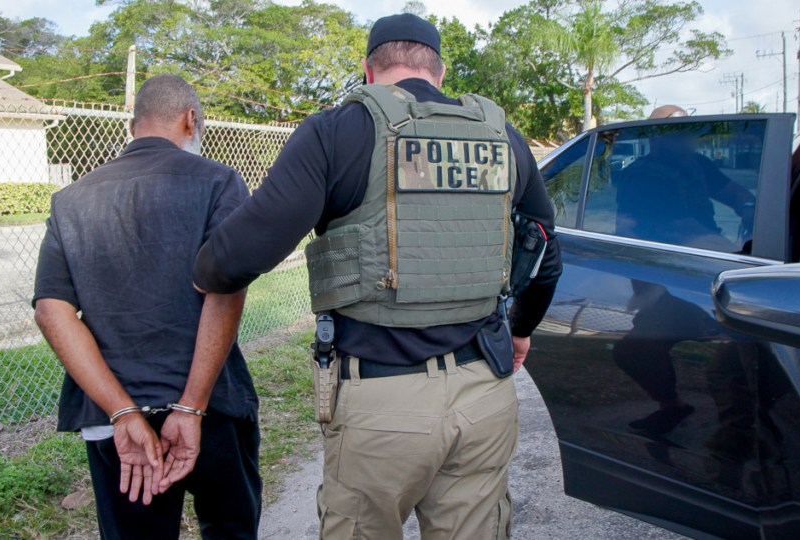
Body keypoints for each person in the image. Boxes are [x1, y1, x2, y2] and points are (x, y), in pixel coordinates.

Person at [193, 13, 562, 539]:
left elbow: (234, 259)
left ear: (368, 69)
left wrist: (201, 269)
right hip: (485, 392)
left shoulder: (337, 131)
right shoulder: (501, 136)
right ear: (438, 70)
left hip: (381, 402)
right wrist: (521, 330)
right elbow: (545, 251)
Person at [32, 74, 260, 540]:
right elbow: (226, 289)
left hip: (115, 418)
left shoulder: (69, 200)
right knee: (231, 528)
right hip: (211, 404)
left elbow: (51, 311)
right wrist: (192, 408)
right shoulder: (219, 182)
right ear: (191, 120)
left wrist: (122, 412)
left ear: (133, 126)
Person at [616, 105, 755, 252]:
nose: (688, 140)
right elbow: (683, 229)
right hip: (663, 259)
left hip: (703, 249)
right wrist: (736, 254)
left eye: (688, 133)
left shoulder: (698, 164)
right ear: (655, 139)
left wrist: (748, 208)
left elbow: (734, 193)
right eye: (677, 135)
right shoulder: (642, 175)